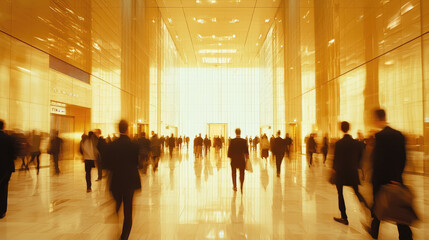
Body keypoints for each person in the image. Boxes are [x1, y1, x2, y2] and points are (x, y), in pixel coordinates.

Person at [366, 109, 412, 240]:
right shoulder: (399, 135)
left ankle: (375, 232)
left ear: (376, 119)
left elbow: (379, 162)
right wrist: (397, 177)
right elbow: (403, 158)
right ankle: (404, 235)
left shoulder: (380, 136)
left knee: (379, 207)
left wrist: (374, 181)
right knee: (398, 209)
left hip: (382, 180)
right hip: (396, 178)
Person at [104, 120, 140, 240]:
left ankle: (116, 208)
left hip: (116, 181)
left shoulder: (111, 146)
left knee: (118, 200)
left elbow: (107, 165)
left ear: (119, 129)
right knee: (128, 210)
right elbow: (136, 163)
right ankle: (124, 237)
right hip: (129, 182)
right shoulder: (134, 145)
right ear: (127, 129)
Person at [332, 121, 369, 225]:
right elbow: (361, 156)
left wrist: (334, 169)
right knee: (357, 192)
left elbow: (336, 159)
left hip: (341, 173)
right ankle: (367, 209)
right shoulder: (356, 143)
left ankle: (344, 217)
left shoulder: (339, 143)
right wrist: (356, 165)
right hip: (352, 172)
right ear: (349, 128)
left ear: (341, 129)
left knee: (340, 194)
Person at [0, 120, 17, 219]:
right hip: (6, 168)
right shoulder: (8, 138)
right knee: (3, 189)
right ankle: (2, 211)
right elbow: (13, 153)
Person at [227, 128, 249, 194]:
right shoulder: (244, 141)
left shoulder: (232, 141)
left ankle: (234, 186)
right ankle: (241, 186)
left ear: (235, 132)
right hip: (241, 160)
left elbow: (229, 151)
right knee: (242, 173)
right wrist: (247, 158)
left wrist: (230, 157)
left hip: (234, 160)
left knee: (233, 173)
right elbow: (246, 151)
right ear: (240, 132)